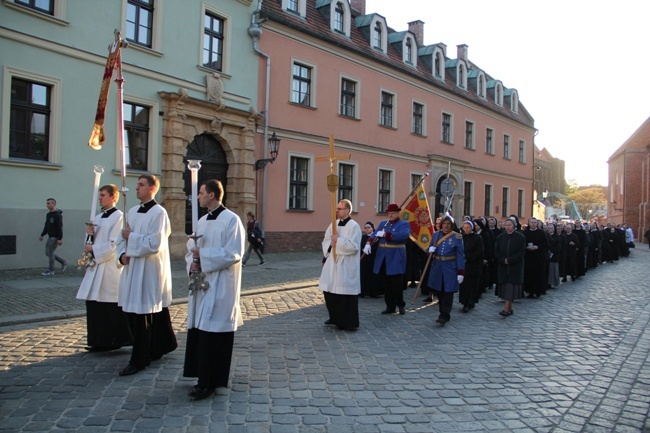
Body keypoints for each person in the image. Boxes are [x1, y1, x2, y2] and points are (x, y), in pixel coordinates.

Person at [183, 179, 245, 400]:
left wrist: (204, 257)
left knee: (214, 332)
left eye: (201, 193)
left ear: (211, 195)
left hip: (221, 284)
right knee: (202, 331)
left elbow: (234, 253)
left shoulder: (232, 220)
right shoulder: (201, 220)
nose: (198, 196)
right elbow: (191, 248)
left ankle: (211, 381)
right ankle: (201, 375)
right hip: (202, 284)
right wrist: (193, 261)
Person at [116, 174, 177, 376]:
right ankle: (156, 347)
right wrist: (122, 255)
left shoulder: (159, 213)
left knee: (143, 314)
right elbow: (119, 240)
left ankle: (139, 359)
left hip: (149, 271)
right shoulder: (131, 212)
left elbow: (154, 244)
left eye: (141, 185)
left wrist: (131, 238)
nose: (136, 188)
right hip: (133, 268)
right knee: (133, 313)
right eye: (137, 185)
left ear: (152, 189)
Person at [76, 184, 132, 352]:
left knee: (109, 306)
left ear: (113, 198)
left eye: (103, 195)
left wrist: (94, 249)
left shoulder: (119, 217)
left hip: (109, 268)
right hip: (96, 267)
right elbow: (90, 242)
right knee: (94, 304)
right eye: (99, 195)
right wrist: (89, 234)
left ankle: (113, 340)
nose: (100, 197)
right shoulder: (98, 218)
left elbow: (115, 244)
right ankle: (97, 340)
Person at [319, 199, 362, 330]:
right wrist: (330, 245)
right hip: (333, 262)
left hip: (346, 264)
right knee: (330, 291)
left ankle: (348, 322)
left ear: (347, 210)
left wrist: (338, 241)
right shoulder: (334, 224)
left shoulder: (354, 226)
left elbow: (353, 246)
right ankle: (334, 317)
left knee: (344, 294)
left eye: (339, 209)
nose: (337, 211)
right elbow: (326, 239)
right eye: (336, 208)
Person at [364, 203, 410, 315]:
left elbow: (403, 236)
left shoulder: (404, 224)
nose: (391, 215)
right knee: (386, 283)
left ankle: (400, 305)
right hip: (383, 256)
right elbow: (374, 234)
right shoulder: (383, 224)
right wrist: (368, 243)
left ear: (398, 213)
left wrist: (387, 235)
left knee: (396, 284)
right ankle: (390, 306)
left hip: (395, 256)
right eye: (389, 213)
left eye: (393, 213)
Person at [426, 215, 465, 325]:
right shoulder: (435, 235)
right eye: (444, 224)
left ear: (452, 225)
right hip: (437, 266)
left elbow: (460, 255)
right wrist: (430, 250)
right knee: (440, 291)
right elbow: (428, 250)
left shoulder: (457, 237)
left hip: (450, 267)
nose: (446, 226)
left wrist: (460, 271)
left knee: (448, 292)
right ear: (441, 225)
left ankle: (445, 315)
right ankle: (442, 312)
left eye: (448, 224)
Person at [494, 217, 527, 317]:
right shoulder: (500, 237)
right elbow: (496, 250)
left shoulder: (520, 237)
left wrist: (510, 260)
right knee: (507, 287)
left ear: (514, 226)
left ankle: (506, 309)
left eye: (510, 225)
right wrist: (502, 259)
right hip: (503, 266)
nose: (508, 227)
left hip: (515, 266)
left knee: (510, 287)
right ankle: (509, 308)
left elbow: (521, 252)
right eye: (506, 225)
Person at [39, 198, 69, 276]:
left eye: (49, 203)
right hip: (50, 236)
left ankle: (51, 270)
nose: (47, 205)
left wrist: (59, 238)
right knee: (48, 253)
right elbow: (46, 226)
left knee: (50, 253)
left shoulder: (57, 215)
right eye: (47, 203)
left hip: (54, 237)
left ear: (54, 204)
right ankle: (63, 262)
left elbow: (59, 227)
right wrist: (42, 234)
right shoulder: (48, 215)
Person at [459, 220, 482, 313]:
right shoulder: (462, 237)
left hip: (473, 265)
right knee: (464, 285)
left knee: (472, 285)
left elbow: (479, 251)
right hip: (463, 265)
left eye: (468, 227)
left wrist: (468, 257)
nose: (466, 229)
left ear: (472, 228)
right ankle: (464, 302)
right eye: (465, 228)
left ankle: (470, 302)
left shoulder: (477, 238)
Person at [523, 217, 548, 298]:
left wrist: (537, 247)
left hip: (538, 257)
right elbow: (523, 243)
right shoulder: (525, 233)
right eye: (532, 222)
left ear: (537, 224)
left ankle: (538, 291)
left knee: (538, 274)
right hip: (529, 257)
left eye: (534, 222)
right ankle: (530, 291)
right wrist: (527, 247)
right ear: (529, 223)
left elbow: (545, 243)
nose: (533, 224)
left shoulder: (541, 232)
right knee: (529, 274)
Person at [360, 221, 382, 298]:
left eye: (368, 227)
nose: (367, 229)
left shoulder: (376, 237)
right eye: (365, 228)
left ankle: (374, 292)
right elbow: (360, 246)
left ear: (373, 228)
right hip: (364, 260)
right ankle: (364, 292)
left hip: (373, 259)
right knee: (364, 276)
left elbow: (378, 247)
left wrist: (371, 250)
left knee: (373, 276)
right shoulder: (362, 237)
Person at [546, 223, 562, 290]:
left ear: (554, 229)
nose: (550, 230)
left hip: (554, 255)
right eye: (548, 228)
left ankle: (551, 283)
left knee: (552, 270)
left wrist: (551, 250)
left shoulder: (557, 237)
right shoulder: (545, 235)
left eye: (551, 228)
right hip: (546, 255)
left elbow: (558, 247)